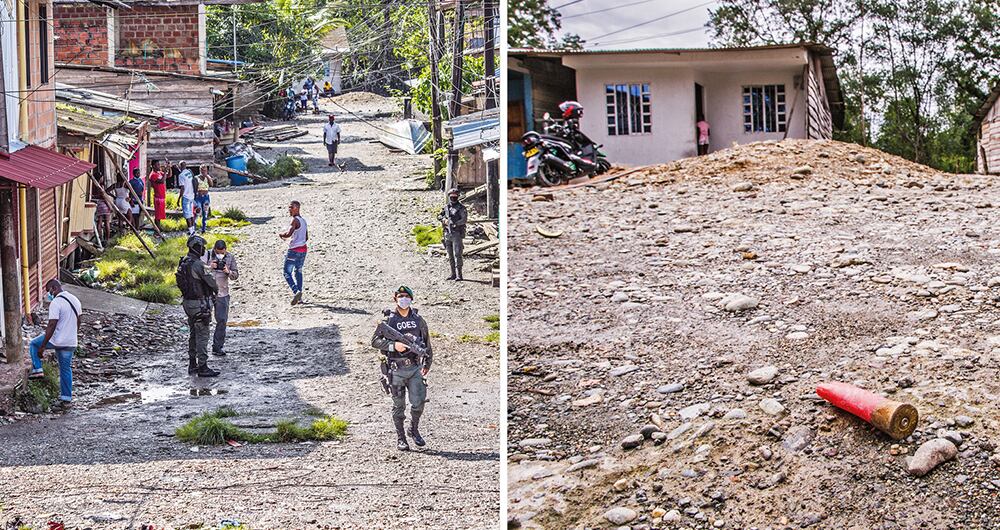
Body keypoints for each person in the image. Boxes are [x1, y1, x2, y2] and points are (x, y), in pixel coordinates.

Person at [371, 286, 433, 451]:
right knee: (399, 406)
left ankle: (413, 429)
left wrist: (427, 363)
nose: (403, 299)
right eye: (400, 296)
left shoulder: (418, 320)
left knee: (418, 402)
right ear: (395, 299)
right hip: (395, 369)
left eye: (406, 296)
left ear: (411, 299)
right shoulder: (388, 321)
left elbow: (427, 344)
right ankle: (401, 438)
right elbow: (375, 341)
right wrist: (393, 346)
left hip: (415, 368)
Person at [28, 280, 82, 409]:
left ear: (54, 288)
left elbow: (52, 325)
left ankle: (38, 370)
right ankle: (66, 400)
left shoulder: (56, 302)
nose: (49, 294)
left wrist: (43, 346)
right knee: (65, 369)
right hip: (70, 341)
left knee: (34, 344)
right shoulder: (75, 299)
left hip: (57, 340)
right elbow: (79, 320)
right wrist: (72, 334)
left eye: (48, 291)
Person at [177, 235, 220, 377]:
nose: (204, 249)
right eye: (202, 247)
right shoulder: (198, 265)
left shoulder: (183, 262)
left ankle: (192, 364)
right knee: (202, 334)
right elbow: (212, 283)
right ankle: (203, 366)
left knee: (193, 333)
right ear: (197, 248)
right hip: (199, 304)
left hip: (188, 303)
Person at [202, 239, 238, 356]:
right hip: (207, 293)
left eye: (222, 253)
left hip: (222, 293)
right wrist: (209, 267)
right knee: (204, 320)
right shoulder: (207, 255)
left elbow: (235, 275)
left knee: (222, 321)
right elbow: (198, 269)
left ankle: (217, 347)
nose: (220, 255)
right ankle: (201, 348)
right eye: (218, 252)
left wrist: (228, 271)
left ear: (225, 250)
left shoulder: (230, 257)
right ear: (214, 249)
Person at [279, 200, 308, 305]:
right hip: (303, 249)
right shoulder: (303, 221)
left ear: (297, 208)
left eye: (291, 207)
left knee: (286, 272)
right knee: (298, 271)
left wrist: (281, 235)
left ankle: (296, 291)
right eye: (289, 207)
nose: (289, 209)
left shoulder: (294, 220)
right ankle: (299, 298)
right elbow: (306, 237)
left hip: (294, 250)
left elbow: (289, 234)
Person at [438, 188, 468, 281]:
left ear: (458, 196)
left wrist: (454, 224)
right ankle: (453, 274)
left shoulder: (461, 208)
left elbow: (464, 220)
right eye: (452, 196)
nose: (453, 197)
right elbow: (439, 216)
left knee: (457, 254)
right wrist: (444, 220)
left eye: (455, 196)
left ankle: (459, 275)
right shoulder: (446, 207)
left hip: (456, 233)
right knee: (450, 255)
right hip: (447, 234)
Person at [177, 162, 196, 236]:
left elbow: (182, 188)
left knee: (187, 215)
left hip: (186, 197)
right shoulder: (189, 172)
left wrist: (179, 198)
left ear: (180, 166)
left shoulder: (181, 175)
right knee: (191, 214)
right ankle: (193, 230)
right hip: (192, 196)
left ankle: (191, 232)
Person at [194, 165, 214, 234]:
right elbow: (195, 188)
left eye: (205, 170)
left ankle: (203, 229)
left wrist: (207, 177)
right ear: (200, 170)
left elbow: (211, 185)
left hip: (206, 197)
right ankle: (193, 229)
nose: (203, 171)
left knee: (205, 213)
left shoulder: (208, 177)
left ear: (207, 171)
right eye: (202, 170)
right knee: (197, 212)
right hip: (198, 197)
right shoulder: (196, 178)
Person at [149, 160, 167, 231]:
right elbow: (162, 181)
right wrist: (165, 171)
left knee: (160, 213)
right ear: (153, 166)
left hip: (162, 195)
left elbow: (169, 175)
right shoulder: (153, 175)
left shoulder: (158, 172)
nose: (159, 166)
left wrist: (168, 167)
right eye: (158, 165)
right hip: (158, 196)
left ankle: (158, 228)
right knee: (157, 214)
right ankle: (157, 229)